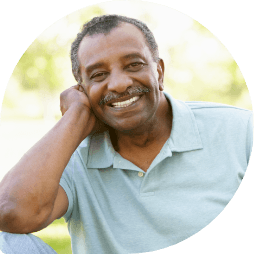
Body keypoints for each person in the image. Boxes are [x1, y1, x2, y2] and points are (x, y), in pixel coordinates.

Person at [0, 14, 252, 254]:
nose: (119, 84)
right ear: (81, 88)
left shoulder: (240, 130)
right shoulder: (71, 155)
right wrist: (74, 117)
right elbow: (11, 214)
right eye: (98, 75)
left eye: (134, 65)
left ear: (159, 72)